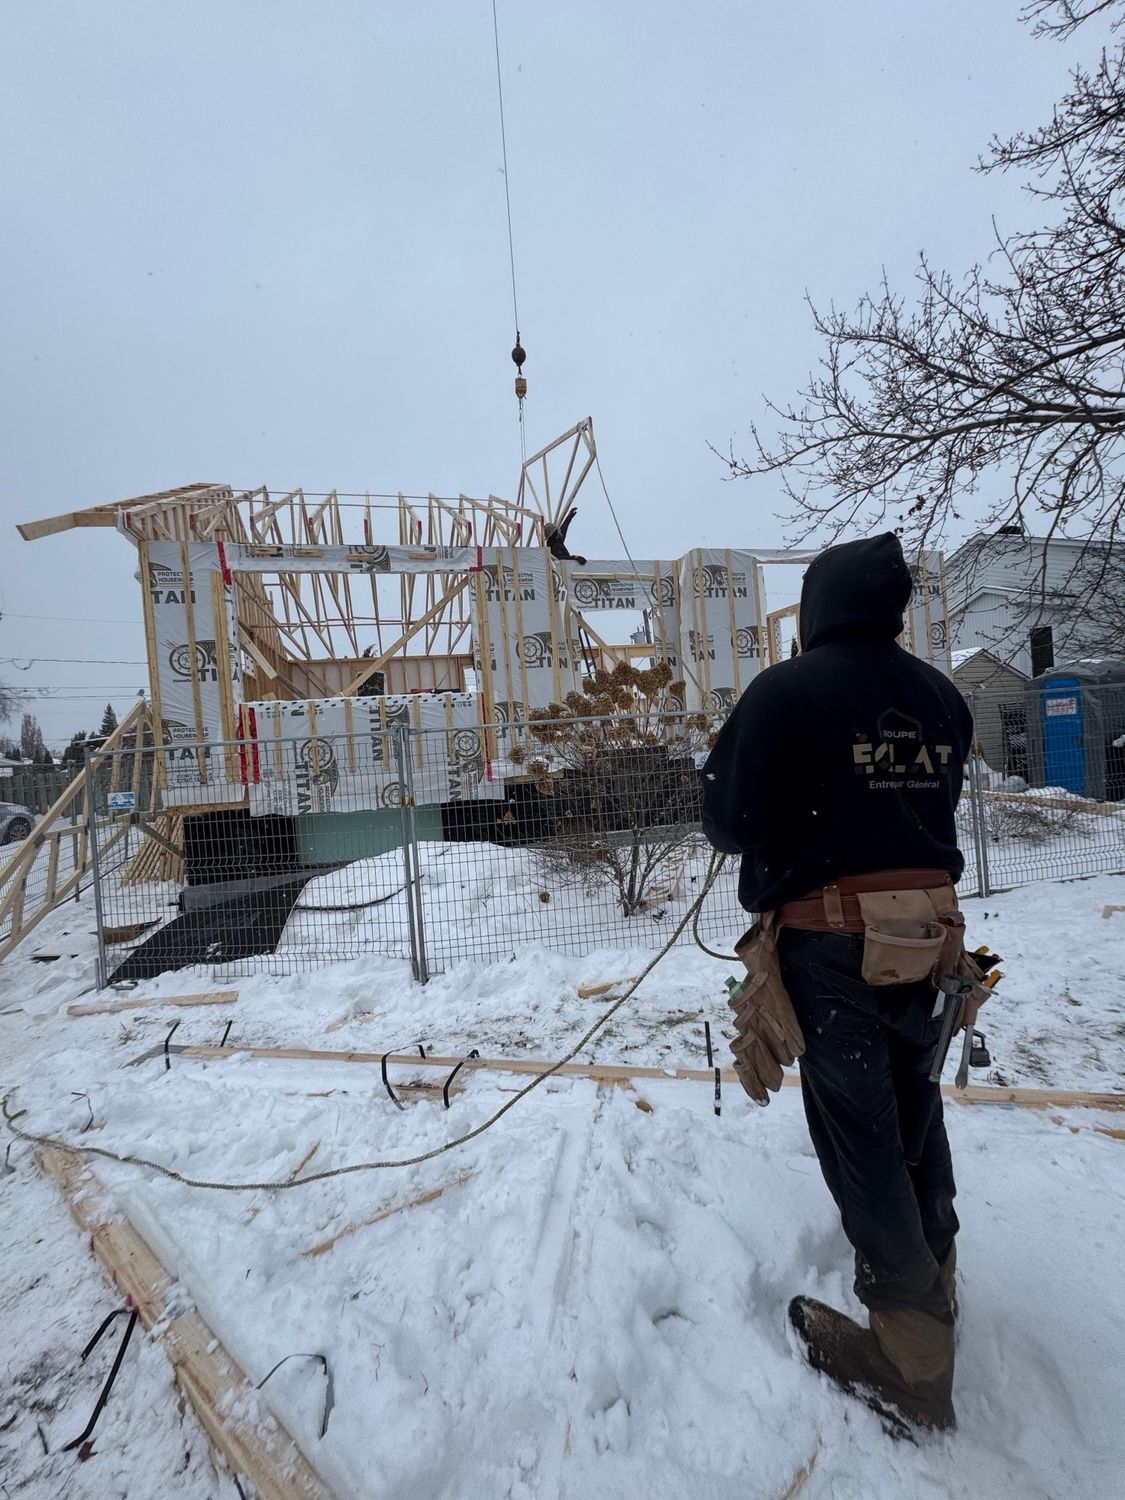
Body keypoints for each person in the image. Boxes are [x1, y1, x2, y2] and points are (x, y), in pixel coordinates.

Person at [701, 532, 976, 1434]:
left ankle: (912, 1357)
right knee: (915, 1109)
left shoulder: (787, 691)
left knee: (859, 1135)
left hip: (834, 948)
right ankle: (933, 1273)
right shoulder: (938, 695)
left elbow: (732, 820)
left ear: (818, 607)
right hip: (930, 941)